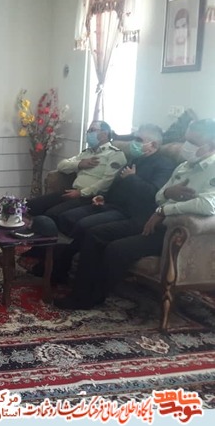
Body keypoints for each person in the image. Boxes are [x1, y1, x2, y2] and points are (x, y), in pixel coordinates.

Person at [54, 118, 215, 310]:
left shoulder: (202, 168)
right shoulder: (184, 166)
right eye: (186, 140)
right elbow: (160, 195)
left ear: (210, 144)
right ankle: (79, 290)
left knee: (111, 245)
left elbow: (208, 205)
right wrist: (167, 195)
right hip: (151, 219)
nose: (186, 147)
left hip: (170, 229)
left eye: (192, 142)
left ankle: (87, 297)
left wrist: (164, 209)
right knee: (93, 232)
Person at [35, 124, 175, 282]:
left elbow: (153, 194)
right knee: (68, 217)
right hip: (110, 204)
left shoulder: (164, 165)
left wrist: (132, 178)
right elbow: (115, 185)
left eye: (138, 139)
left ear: (153, 145)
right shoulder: (136, 160)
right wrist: (103, 197)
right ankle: (54, 262)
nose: (133, 143)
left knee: (86, 226)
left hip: (131, 213)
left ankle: (63, 269)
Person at [26, 121, 127, 224]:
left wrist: (81, 193)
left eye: (92, 130)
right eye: (88, 131)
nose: (88, 134)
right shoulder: (86, 153)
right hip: (73, 191)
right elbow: (61, 165)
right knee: (31, 205)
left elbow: (107, 181)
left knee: (51, 214)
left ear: (104, 134)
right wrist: (79, 164)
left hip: (91, 197)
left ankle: (38, 231)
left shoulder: (114, 154)